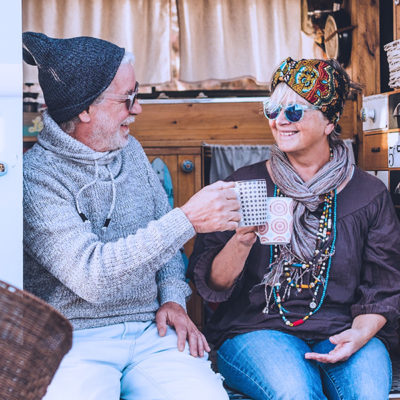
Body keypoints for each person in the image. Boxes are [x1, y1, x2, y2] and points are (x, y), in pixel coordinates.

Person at [22, 32, 241, 400]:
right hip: (72, 339)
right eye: (128, 98)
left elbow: (167, 246)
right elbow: (93, 278)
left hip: (148, 331)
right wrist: (186, 219)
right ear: (84, 109)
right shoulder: (35, 179)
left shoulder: (131, 151)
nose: (137, 108)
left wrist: (172, 298)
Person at [188, 57, 400, 399]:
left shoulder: (368, 195)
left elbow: (385, 286)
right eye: (273, 109)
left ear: (330, 122)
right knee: (296, 393)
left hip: (344, 328)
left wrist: (360, 334)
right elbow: (212, 285)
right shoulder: (244, 185)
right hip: (255, 330)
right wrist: (242, 240)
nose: (280, 121)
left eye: (295, 112)